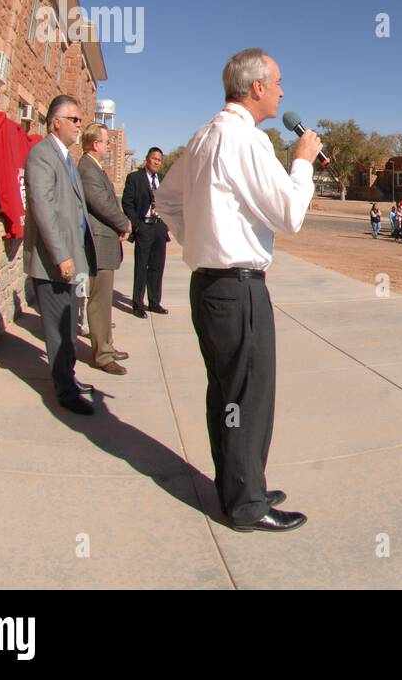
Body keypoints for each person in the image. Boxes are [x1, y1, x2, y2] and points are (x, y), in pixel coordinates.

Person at [157, 48, 321, 534]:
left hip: (208, 285)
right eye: (278, 82)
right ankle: (246, 504)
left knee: (226, 393)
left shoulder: (204, 135)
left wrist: (203, 242)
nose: (283, 91)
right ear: (256, 88)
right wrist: (304, 162)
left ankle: (238, 484)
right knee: (248, 395)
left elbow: (165, 201)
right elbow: (289, 215)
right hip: (239, 288)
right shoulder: (247, 141)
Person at [23, 95, 94, 415]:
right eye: (75, 119)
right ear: (56, 122)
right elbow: (43, 208)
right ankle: (64, 391)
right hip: (54, 263)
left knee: (69, 328)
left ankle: (70, 378)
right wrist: (62, 256)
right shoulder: (42, 155)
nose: (80, 125)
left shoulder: (65, 157)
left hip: (72, 258)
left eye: (80, 120)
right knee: (57, 330)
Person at [78, 123, 131, 374]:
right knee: (99, 301)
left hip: (105, 241)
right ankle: (102, 354)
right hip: (98, 243)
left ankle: (107, 345)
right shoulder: (88, 168)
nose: (108, 146)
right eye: (106, 142)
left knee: (104, 299)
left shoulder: (94, 167)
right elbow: (100, 203)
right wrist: (124, 223)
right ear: (95, 144)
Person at [122, 148, 170, 317]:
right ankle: (138, 305)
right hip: (144, 227)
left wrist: (166, 224)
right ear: (147, 159)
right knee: (141, 267)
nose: (157, 162)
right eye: (154, 158)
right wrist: (137, 225)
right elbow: (127, 203)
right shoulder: (135, 178)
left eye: (159, 160)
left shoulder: (163, 180)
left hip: (159, 228)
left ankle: (154, 302)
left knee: (157, 267)